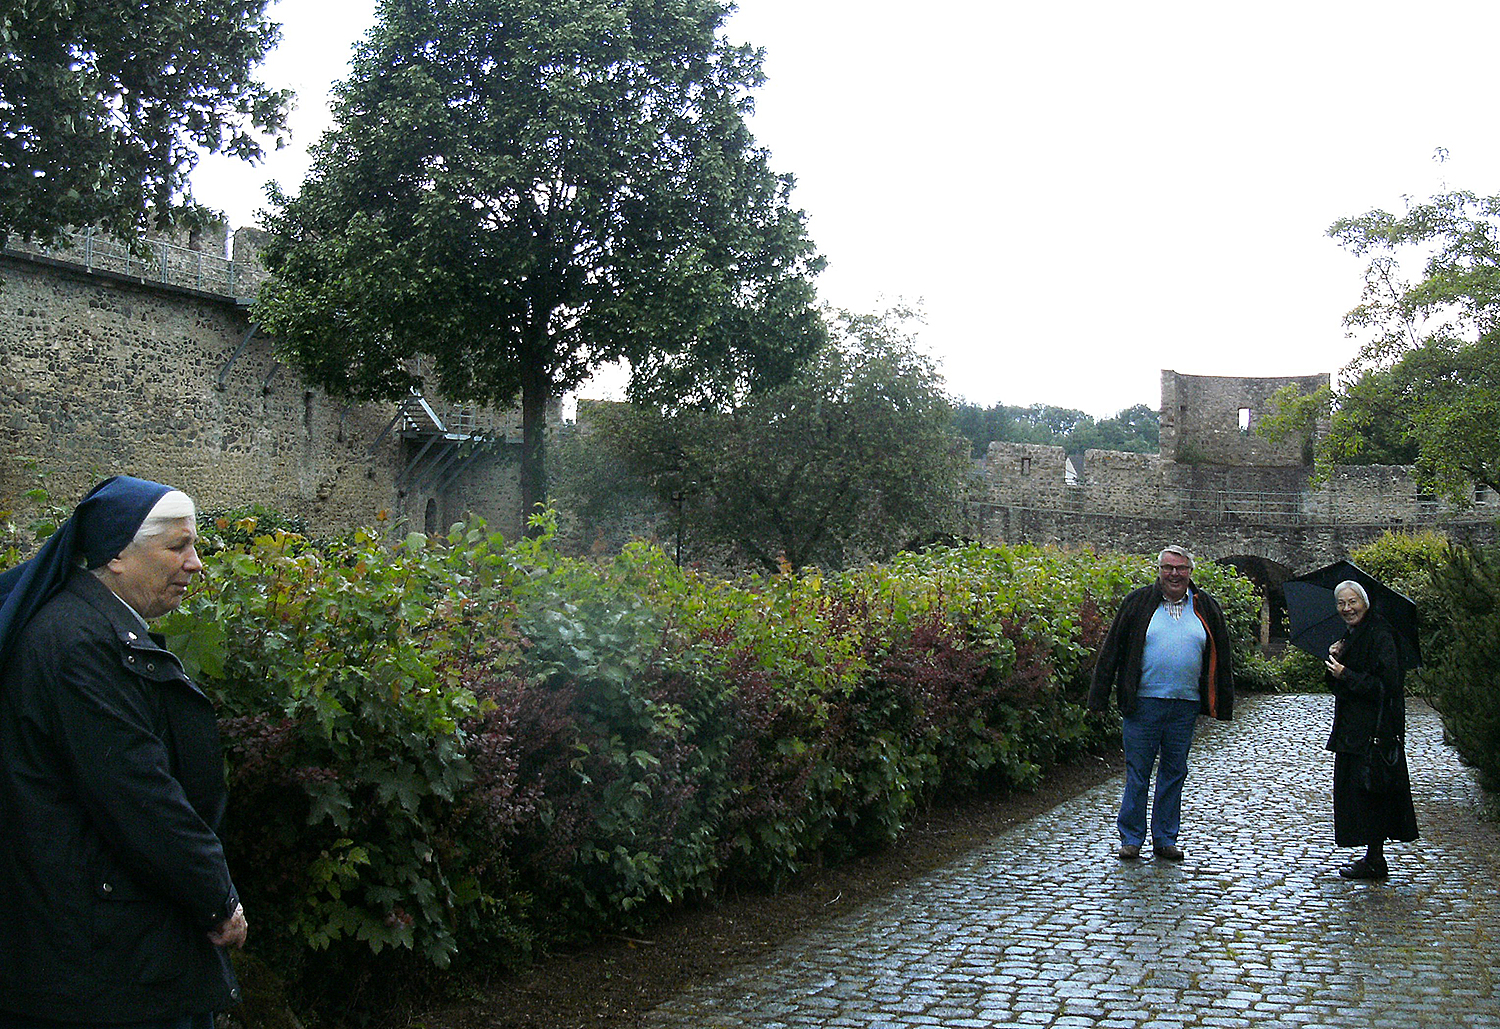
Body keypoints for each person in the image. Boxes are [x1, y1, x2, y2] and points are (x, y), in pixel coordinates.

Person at [0, 476, 246, 1027]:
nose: (196, 564)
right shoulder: (82, 647)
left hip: (100, 948)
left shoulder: (88, 630)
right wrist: (216, 898)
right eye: (178, 547)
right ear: (116, 555)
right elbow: (138, 797)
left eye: (195, 546)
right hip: (104, 965)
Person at [1088, 545, 1234, 861]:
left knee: (1174, 772)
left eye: (1180, 568)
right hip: (1143, 703)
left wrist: (1221, 703)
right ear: (1159, 571)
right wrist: (1097, 698)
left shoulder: (1205, 606)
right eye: (1168, 568)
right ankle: (1131, 838)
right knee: (1137, 771)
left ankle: (1165, 838)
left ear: (1190, 572)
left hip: (1184, 705)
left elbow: (1221, 654)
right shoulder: (1138, 603)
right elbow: (1112, 650)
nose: (1174, 574)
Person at [1324, 579, 1419, 880]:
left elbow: (1387, 685)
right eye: (1341, 603)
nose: (1347, 608)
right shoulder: (1352, 635)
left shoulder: (1380, 634)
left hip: (1375, 730)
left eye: (1352, 602)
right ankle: (1371, 857)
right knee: (1359, 794)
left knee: (1373, 793)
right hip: (1354, 730)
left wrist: (1346, 673)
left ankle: (1375, 859)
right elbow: (1334, 685)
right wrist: (1336, 659)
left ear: (1365, 603)